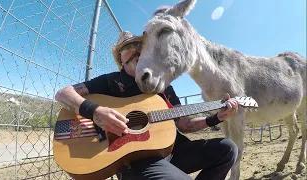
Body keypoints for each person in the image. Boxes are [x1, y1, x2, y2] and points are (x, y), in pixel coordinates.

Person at [55, 31, 240, 180]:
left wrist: (215, 117)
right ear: (120, 58)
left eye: (140, 45)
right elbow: (63, 94)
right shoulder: (110, 81)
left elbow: (184, 124)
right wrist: (96, 112)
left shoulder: (163, 86)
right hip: (136, 160)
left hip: (173, 152)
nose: (136, 49)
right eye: (128, 47)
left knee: (227, 149)